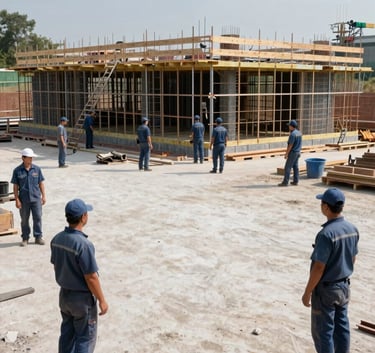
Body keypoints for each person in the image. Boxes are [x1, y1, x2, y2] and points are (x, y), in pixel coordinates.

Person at [302, 188, 359, 353]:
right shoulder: (352, 229)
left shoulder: (326, 234)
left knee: (323, 332)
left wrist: (307, 293)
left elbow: (319, 267)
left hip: (326, 291)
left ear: (326, 207)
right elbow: (353, 258)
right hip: (344, 286)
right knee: (342, 328)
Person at [50, 198, 108, 353]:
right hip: (82, 301)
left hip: (64, 297)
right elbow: (91, 277)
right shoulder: (84, 245)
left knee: (67, 335)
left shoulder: (56, 239)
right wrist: (102, 300)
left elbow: (56, 267)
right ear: (83, 217)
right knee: (84, 338)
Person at [11, 148, 46, 247]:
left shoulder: (37, 169)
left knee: (38, 218)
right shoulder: (17, 171)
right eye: (29, 158)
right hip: (24, 200)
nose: (31, 160)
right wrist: (17, 199)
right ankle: (25, 238)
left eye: (32, 158)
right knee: (24, 220)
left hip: (36, 199)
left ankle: (38, 237)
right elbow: (15, 186)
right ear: (23, 158)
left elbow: (41, 183)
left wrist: (43, 196)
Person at [278, 120, 302, 186]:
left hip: (293, 152)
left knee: (287, 167)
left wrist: (286, 154)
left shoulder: (293, 134)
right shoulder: (299, 133)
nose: (289, 127)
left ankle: (285, 182)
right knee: (295, 167)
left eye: (289, 126)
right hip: (298, 152)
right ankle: (295, 181)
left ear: (291, 126)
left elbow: (290, 145)